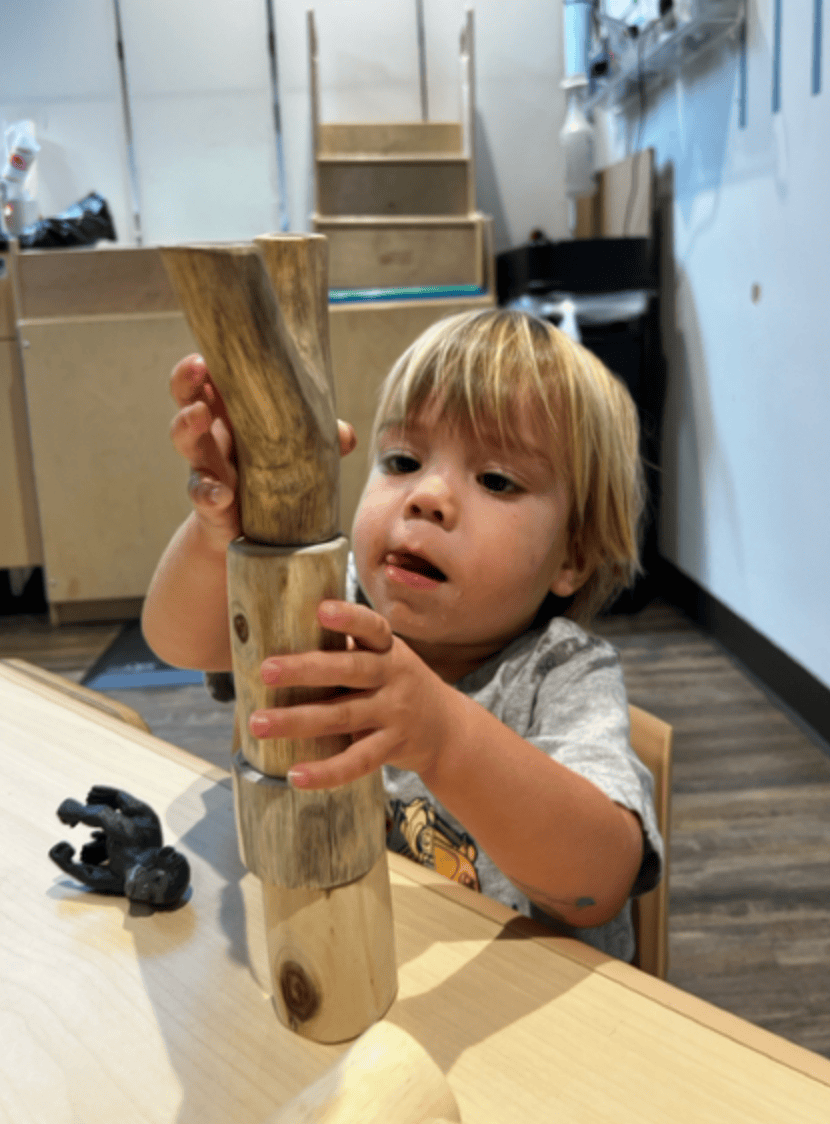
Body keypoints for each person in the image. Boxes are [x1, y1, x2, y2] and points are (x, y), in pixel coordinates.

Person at [142, 308, 663, 961]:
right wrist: (222, 537)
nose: (429, 496)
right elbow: (178, 640)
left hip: (518, 1016)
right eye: (402, 459)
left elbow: (600, 883)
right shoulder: (335, 600)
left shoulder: (560, 675)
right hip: (341, 954)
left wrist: (445, 737)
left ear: (571, 557)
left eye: (496, 480)